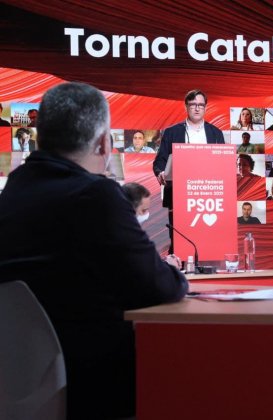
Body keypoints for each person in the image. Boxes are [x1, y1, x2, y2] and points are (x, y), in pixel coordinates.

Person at [0, 82, 188, 419]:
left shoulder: (13, 191)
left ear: (40, 138)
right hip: (99, 387)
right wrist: (176, 272)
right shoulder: (95, 196)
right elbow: (161, 287)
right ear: (104, 143)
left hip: (20, 385)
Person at [153, 89, 224, 253]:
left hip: (209, 196)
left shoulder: (215, 133)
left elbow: (222, 163)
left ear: (205, 107)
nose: (197, 108)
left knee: (208, 240)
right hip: (179, 195)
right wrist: (161, 173)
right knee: (179, 243)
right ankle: (179, 273)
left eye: (201, 105)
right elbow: (160, 161)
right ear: (186, 107)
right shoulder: (172, 132)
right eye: (193, 105)